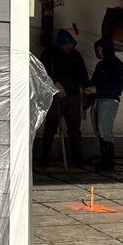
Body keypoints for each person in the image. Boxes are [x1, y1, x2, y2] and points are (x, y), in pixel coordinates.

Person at [36, 29, 89, 166]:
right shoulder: (49, 54)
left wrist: (86, 86)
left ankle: (77, 158)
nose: (68, 47)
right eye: (66, 44)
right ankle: (44, 159)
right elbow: (43, 72)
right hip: (57, 97)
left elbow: (82, 73)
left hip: (74, 95)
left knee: (74, 128)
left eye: (71, 44)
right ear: (59, 44)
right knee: (51, 127)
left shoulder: (76, 55)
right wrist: (55, 84)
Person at [83, 36, 123, 172]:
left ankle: (108, 162)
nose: (99, 52)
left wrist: (97, 89)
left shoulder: (118, 66)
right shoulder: (100, 65)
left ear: (107, 49)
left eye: (101, 49)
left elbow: (116, 87)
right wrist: (87, 88)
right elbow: (94, 80)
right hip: (97, 100)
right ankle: (104, 160)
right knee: (99, 130)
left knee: (105, 130)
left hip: (108, 101)